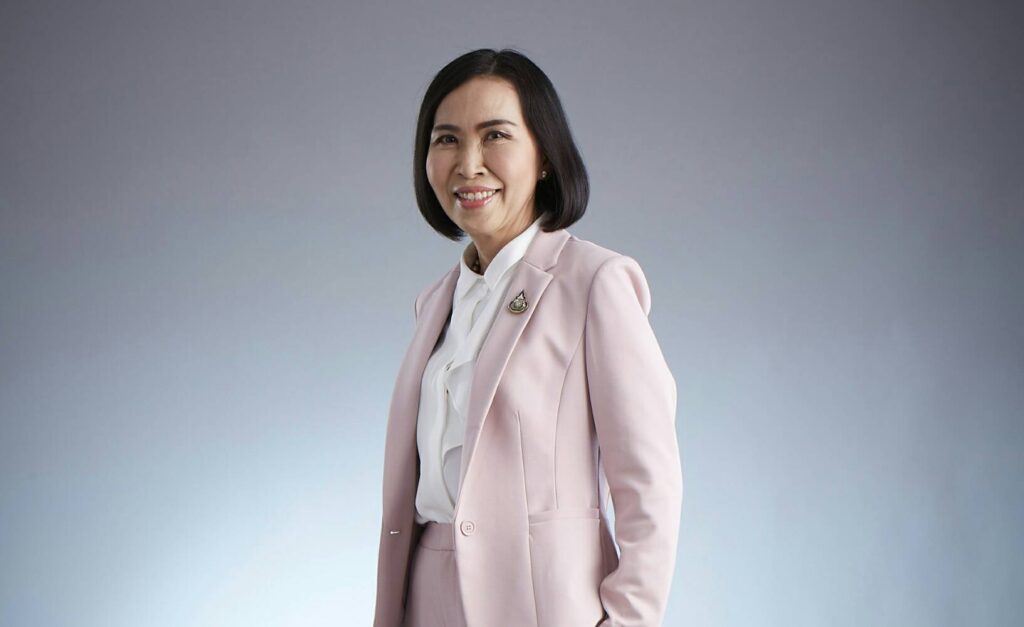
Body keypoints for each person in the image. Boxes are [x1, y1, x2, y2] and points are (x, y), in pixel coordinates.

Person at [373, 48, 683, 627]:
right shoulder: (435, 303)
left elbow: (650, 487)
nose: (469, 164)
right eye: (446, 140)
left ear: (543, 156)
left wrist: (626, 621)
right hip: (426, 595)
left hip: (541, 604)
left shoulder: (594, 283)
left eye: (495, 135)